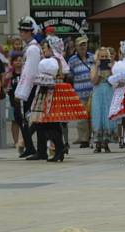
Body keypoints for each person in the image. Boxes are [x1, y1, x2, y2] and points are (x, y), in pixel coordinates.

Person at [30, 35, 87, 163]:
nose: (44, 51)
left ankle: (59, 149)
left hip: (50, 93)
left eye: (45, 48)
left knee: (48, 123)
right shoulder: (59, 60)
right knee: (52, 124)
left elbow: (45, 79)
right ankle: (59, 149)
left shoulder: (50, 62)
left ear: (51, 48)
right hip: (56, 92)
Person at [15, 16, 41, 159]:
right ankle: (30, 146)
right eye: (21, 31)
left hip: (31, 88)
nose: (22, 33)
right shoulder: (30, 48)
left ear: (30, 32)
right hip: (29, 87)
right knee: (24, 119)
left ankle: (35, 147)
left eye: (25, 31)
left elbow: (29, 73)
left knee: (31, 118)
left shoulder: (32, 49)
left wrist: (21, 92)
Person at [67, 36, 94, 148]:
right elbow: (69, 76)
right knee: (82, 117)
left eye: (84, 44)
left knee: (93, 116)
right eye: (81, 45)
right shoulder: (72, 60)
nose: (83, 47)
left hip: (92, 92)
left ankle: (92, 137)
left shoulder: (92, 57)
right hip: (80, 92)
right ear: (76, 47)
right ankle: (84, 139)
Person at [90, 47, 117, 153]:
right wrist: (97, 67)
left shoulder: (113, 67)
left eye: (106, 56)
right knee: (97, 115)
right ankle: (97, 143)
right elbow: (94, 81)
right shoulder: (94, 67)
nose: (104, 58)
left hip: (109, 92)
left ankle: (106, 143)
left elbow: (114, 81)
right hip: (98, 92)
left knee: (107, 115)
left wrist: (111, 69)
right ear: (97, 57)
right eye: (102, 57)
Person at [6, 52, 25, 152]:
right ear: (12, 62)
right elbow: (5, 84)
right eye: (16, 60)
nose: (18, 62)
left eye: (20, 60)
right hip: (13, 99)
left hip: (23, 99)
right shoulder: (10, 73)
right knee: (15, 120)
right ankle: (16, 141)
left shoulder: (25, 72)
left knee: (24, 121)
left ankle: (24, 140)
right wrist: (7, 78)